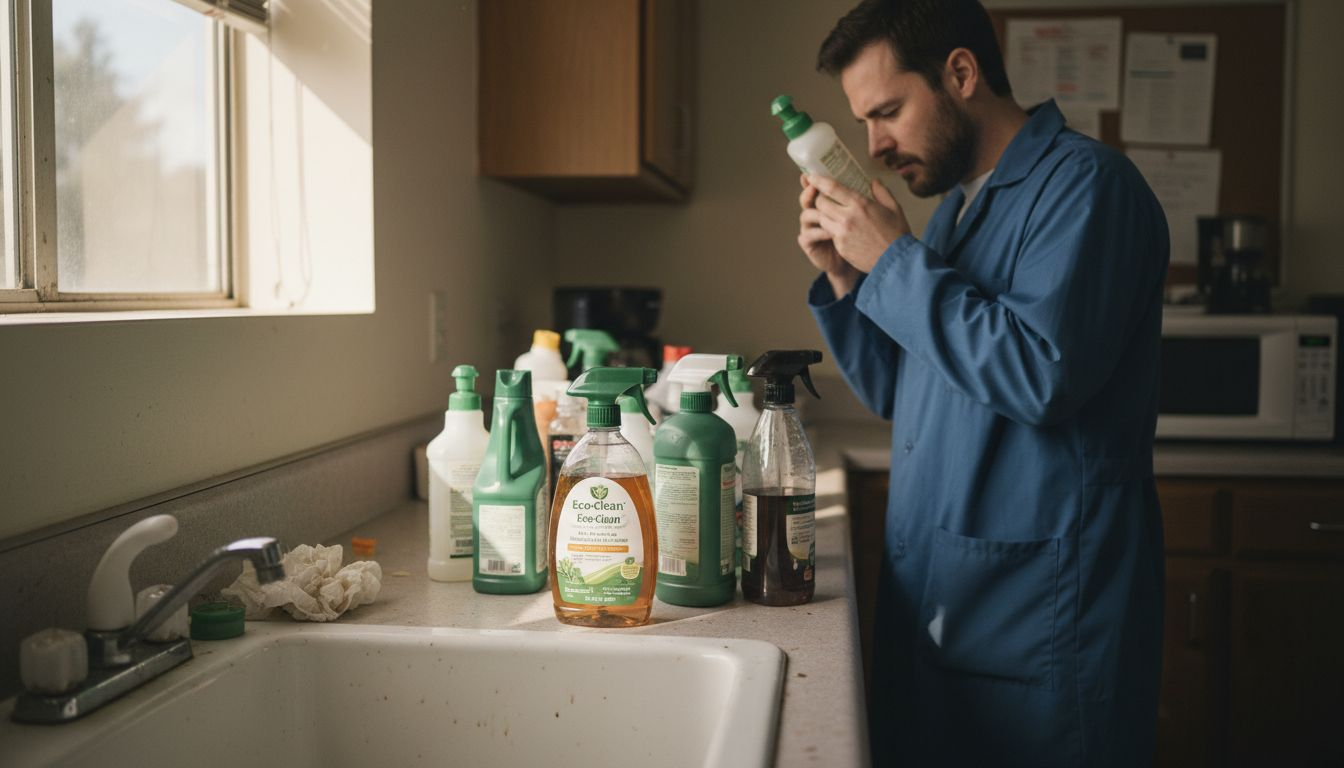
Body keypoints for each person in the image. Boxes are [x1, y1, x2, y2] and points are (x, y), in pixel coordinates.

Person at [798, 1, 1169, 765]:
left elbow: (1040, 374)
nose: (874, 145)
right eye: (863, 122)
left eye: (889, 111)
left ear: (961, 74)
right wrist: (845, 276)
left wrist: (894, 262)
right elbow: (909, 394)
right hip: (949, 607)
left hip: (1040, 626)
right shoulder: (955, 217)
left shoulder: (1089, 188)